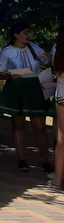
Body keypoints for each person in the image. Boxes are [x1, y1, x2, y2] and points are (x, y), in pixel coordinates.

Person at [0, 22, 52, 172]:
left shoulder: (35, 48)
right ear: (16, 35)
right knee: (18, 124)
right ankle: (22, 159)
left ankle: (45, 160)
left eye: (29, 32)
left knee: (39, 126)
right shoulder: (7, 51)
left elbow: (48, 63)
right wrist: (9, 75)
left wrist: (49, 58)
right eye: (26, 32)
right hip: (17, 88)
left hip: (35, 88)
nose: (29, 35)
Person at [50, 29, 64, 189]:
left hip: (62, 97)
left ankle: (57, 180)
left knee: (61, 138)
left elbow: (57, 75)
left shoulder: (58, 50)